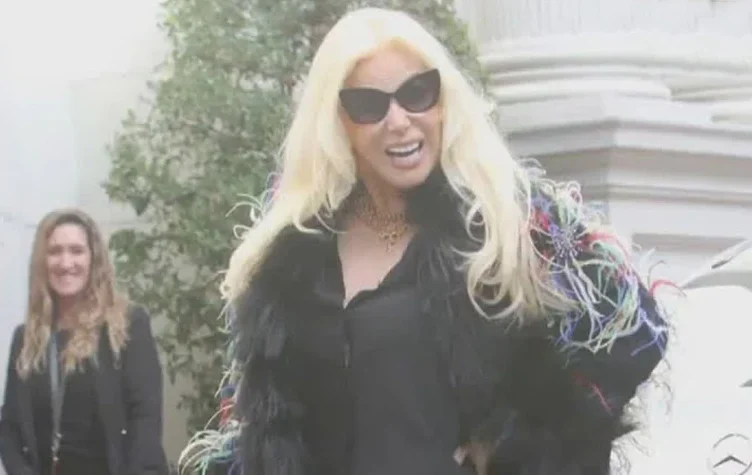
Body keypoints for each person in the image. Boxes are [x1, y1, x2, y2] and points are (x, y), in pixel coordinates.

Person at [181, 7, 670, 475]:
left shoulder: (502, 217)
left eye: (417, 93)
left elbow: (636, 329)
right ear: (337, 123)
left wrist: (520, 445)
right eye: (369, 105)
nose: (399, 120)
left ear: (443, 101)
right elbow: (253, 421)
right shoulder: (291, 254)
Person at [0, 209, 168, 475]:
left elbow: (145, 418)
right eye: (55, 251)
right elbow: (9, 425)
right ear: (42, 261)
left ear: (94, 258)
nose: (66, 262)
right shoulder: (26, 339)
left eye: (76, 251)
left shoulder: (127, 326)